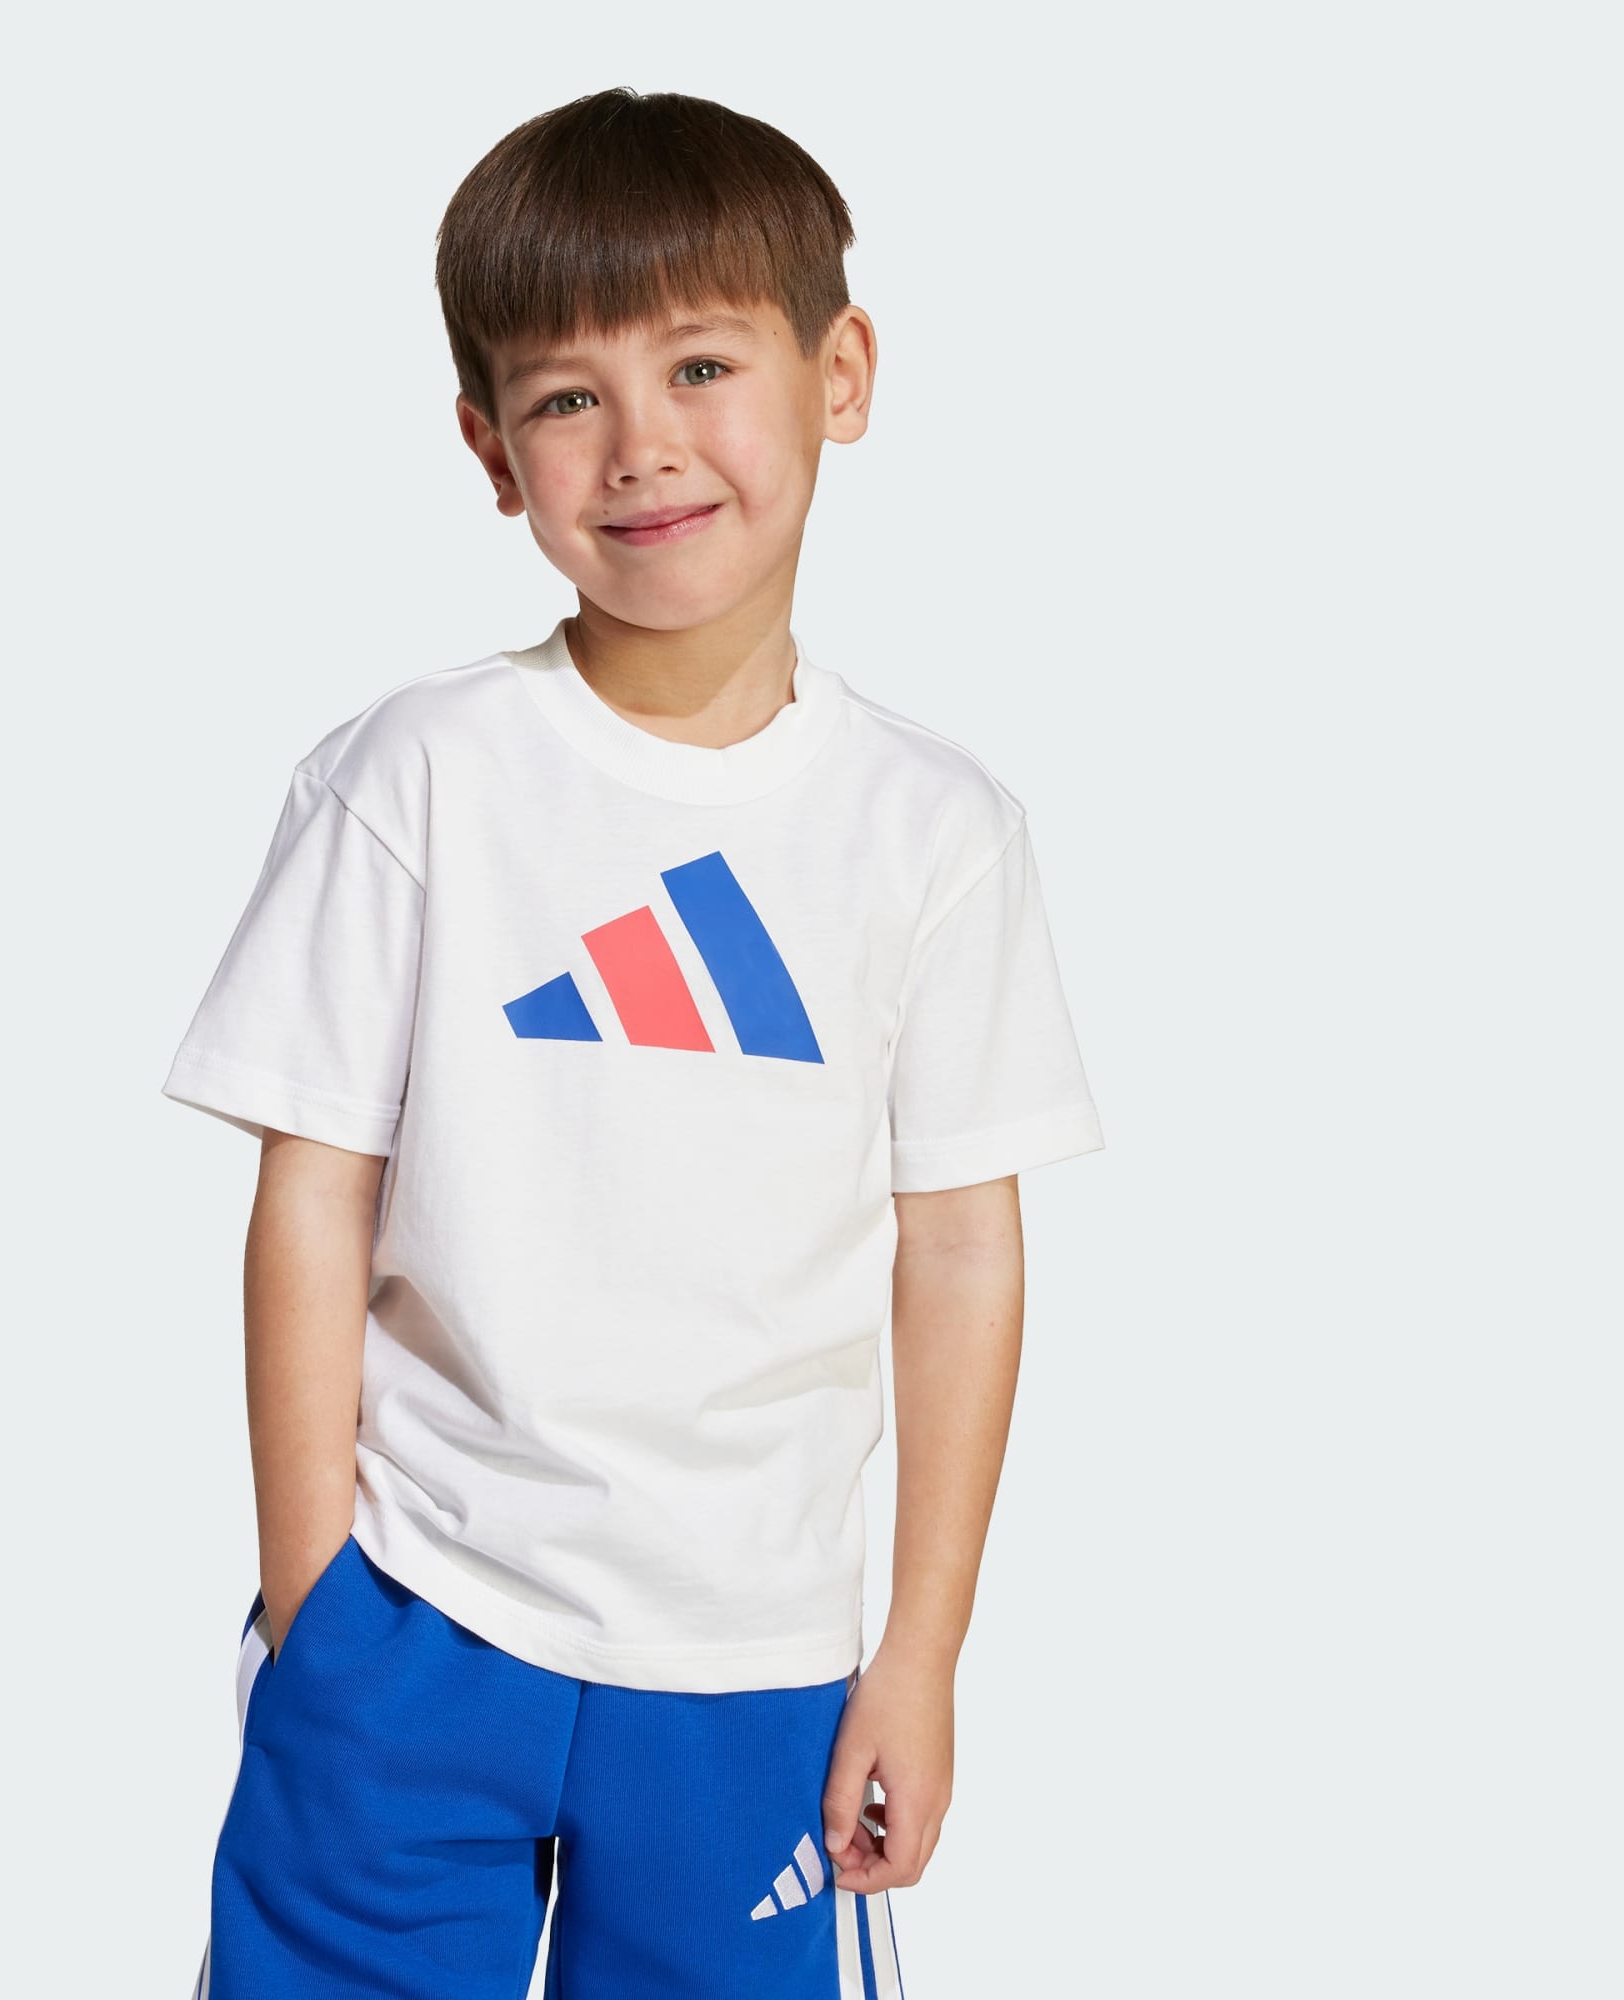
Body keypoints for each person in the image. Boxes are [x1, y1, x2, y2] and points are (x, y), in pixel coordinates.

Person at [163, 85, 1104, 2000]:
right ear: (489, 449)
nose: (643, 445)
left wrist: (921, 1652)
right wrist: (315, 1602)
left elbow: (960, 1250)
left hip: (757, 1664)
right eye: (568, 395)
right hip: (416, 1618)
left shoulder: (935, 830)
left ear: (840, 373)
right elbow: (313, 1195)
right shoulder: (417, 777)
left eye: (700, 366)